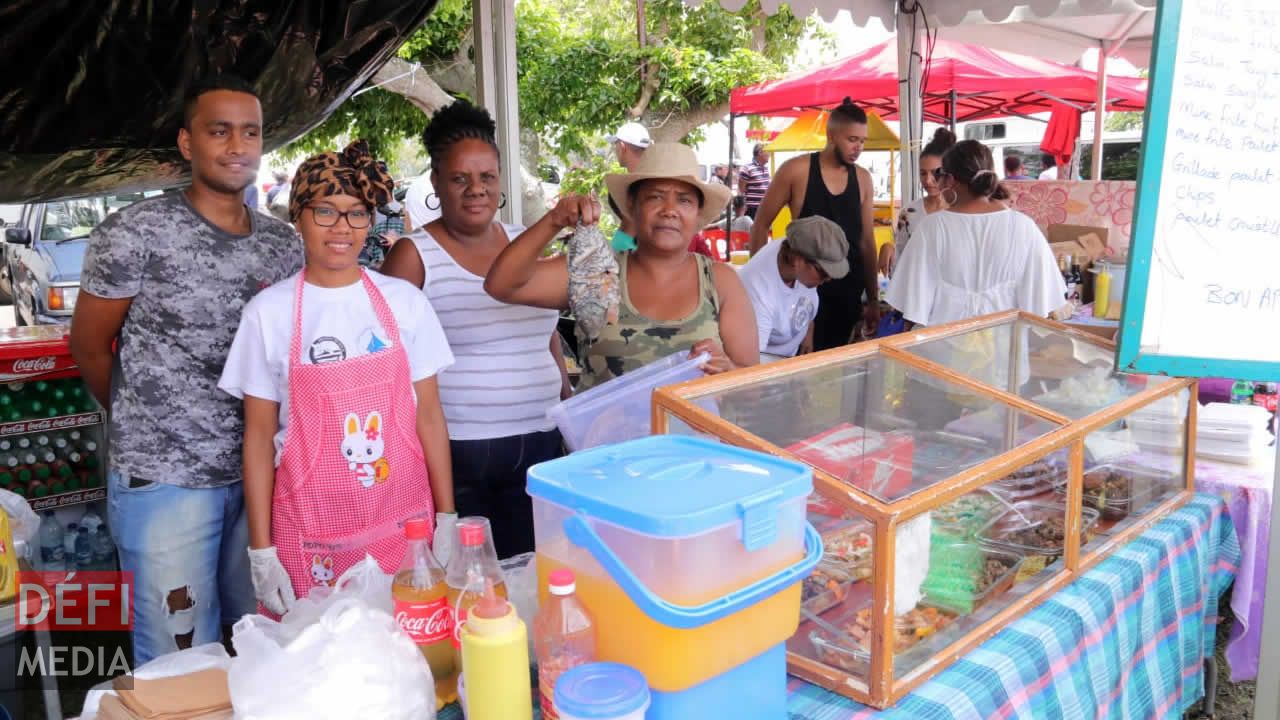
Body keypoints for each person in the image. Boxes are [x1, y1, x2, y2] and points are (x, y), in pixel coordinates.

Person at [69, 75, 304, 665]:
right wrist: (140, 418)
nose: (236, 146)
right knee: (178, 653)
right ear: (186, 143)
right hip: (165, 478)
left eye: (249, 132)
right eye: (218, 131)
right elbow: (92, 346)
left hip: (261, 476)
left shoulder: (283, 244)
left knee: (257, 640)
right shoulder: (135, 232)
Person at [218, 140, 454, 614]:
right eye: (325, 211)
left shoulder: (405, 304)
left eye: (357, 213)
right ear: (298, 216)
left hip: (402, 521)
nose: (342, 227)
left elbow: (429, 416)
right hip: (311, 532)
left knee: (405, 651)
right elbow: (259, 439)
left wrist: (447, 515)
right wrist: (262, 551)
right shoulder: (269, 314)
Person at [380, 101, 569, 559]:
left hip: (542, 440)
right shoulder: (413, 254)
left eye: (486, 178)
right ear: (437, 183)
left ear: (500, 181)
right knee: (473, 586)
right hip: (459, 453)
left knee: (538, 574)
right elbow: (388, 358)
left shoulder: (524, 239)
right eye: (459, 179)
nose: (475, 190)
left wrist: (565, 394)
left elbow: (545, 333)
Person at [485, 142, 760, 390]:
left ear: (698, 213)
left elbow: (753, 385)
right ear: (632, 206)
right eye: (655, 196)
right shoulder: (596, 272)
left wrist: (729, 372)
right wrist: (554, 220)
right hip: (608, 445)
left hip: (690, 446)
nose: (669, 209)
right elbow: (501, 284)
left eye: (684, 199)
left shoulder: (720, 281)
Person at [885, 140, 1066, 327]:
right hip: (1006, 347)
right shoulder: (1025, 227)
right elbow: (1043, 305)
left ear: (950, 180)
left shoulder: (931, 228)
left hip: (940, 348)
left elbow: (912, 307)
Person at [748, 98, 880, 351]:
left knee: (843, 371)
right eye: (852, 139)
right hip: (803, 290)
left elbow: (866, 241)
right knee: (798, 370)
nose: (858, 147)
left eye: (862, 141)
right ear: (831, 135)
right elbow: (761, 224)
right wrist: (765, 284)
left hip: (847, 290)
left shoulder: (863, 178)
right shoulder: (796, 170)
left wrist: (873, 298)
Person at [738, 216, 847, 359]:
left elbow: (805, 297)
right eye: (823, 272)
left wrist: (808, 327)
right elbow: (752, 363)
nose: (828, 278)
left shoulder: (796, 249)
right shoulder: (758, 290)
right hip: (766, 364)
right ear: (798, 260)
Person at [885, 128, 956, 274]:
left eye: (936, 172)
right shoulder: (909, 213)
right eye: (923, 173)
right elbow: (900, 258)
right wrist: (888, 248)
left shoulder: (961, 211)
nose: (928, 180)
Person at [606, 121, 653, 252]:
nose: (615, 150)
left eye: (615, 145)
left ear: (622, 146)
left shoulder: (626, 191)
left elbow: (628, 230)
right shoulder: (659, 179)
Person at [739, 143, 772, 218]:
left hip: (764, 207)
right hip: (752, 208)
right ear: (760, 152)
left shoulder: (766, 168)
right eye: (768, 152)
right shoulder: (747, 168)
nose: (769, 154)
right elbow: (741, 190)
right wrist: (743, 206)